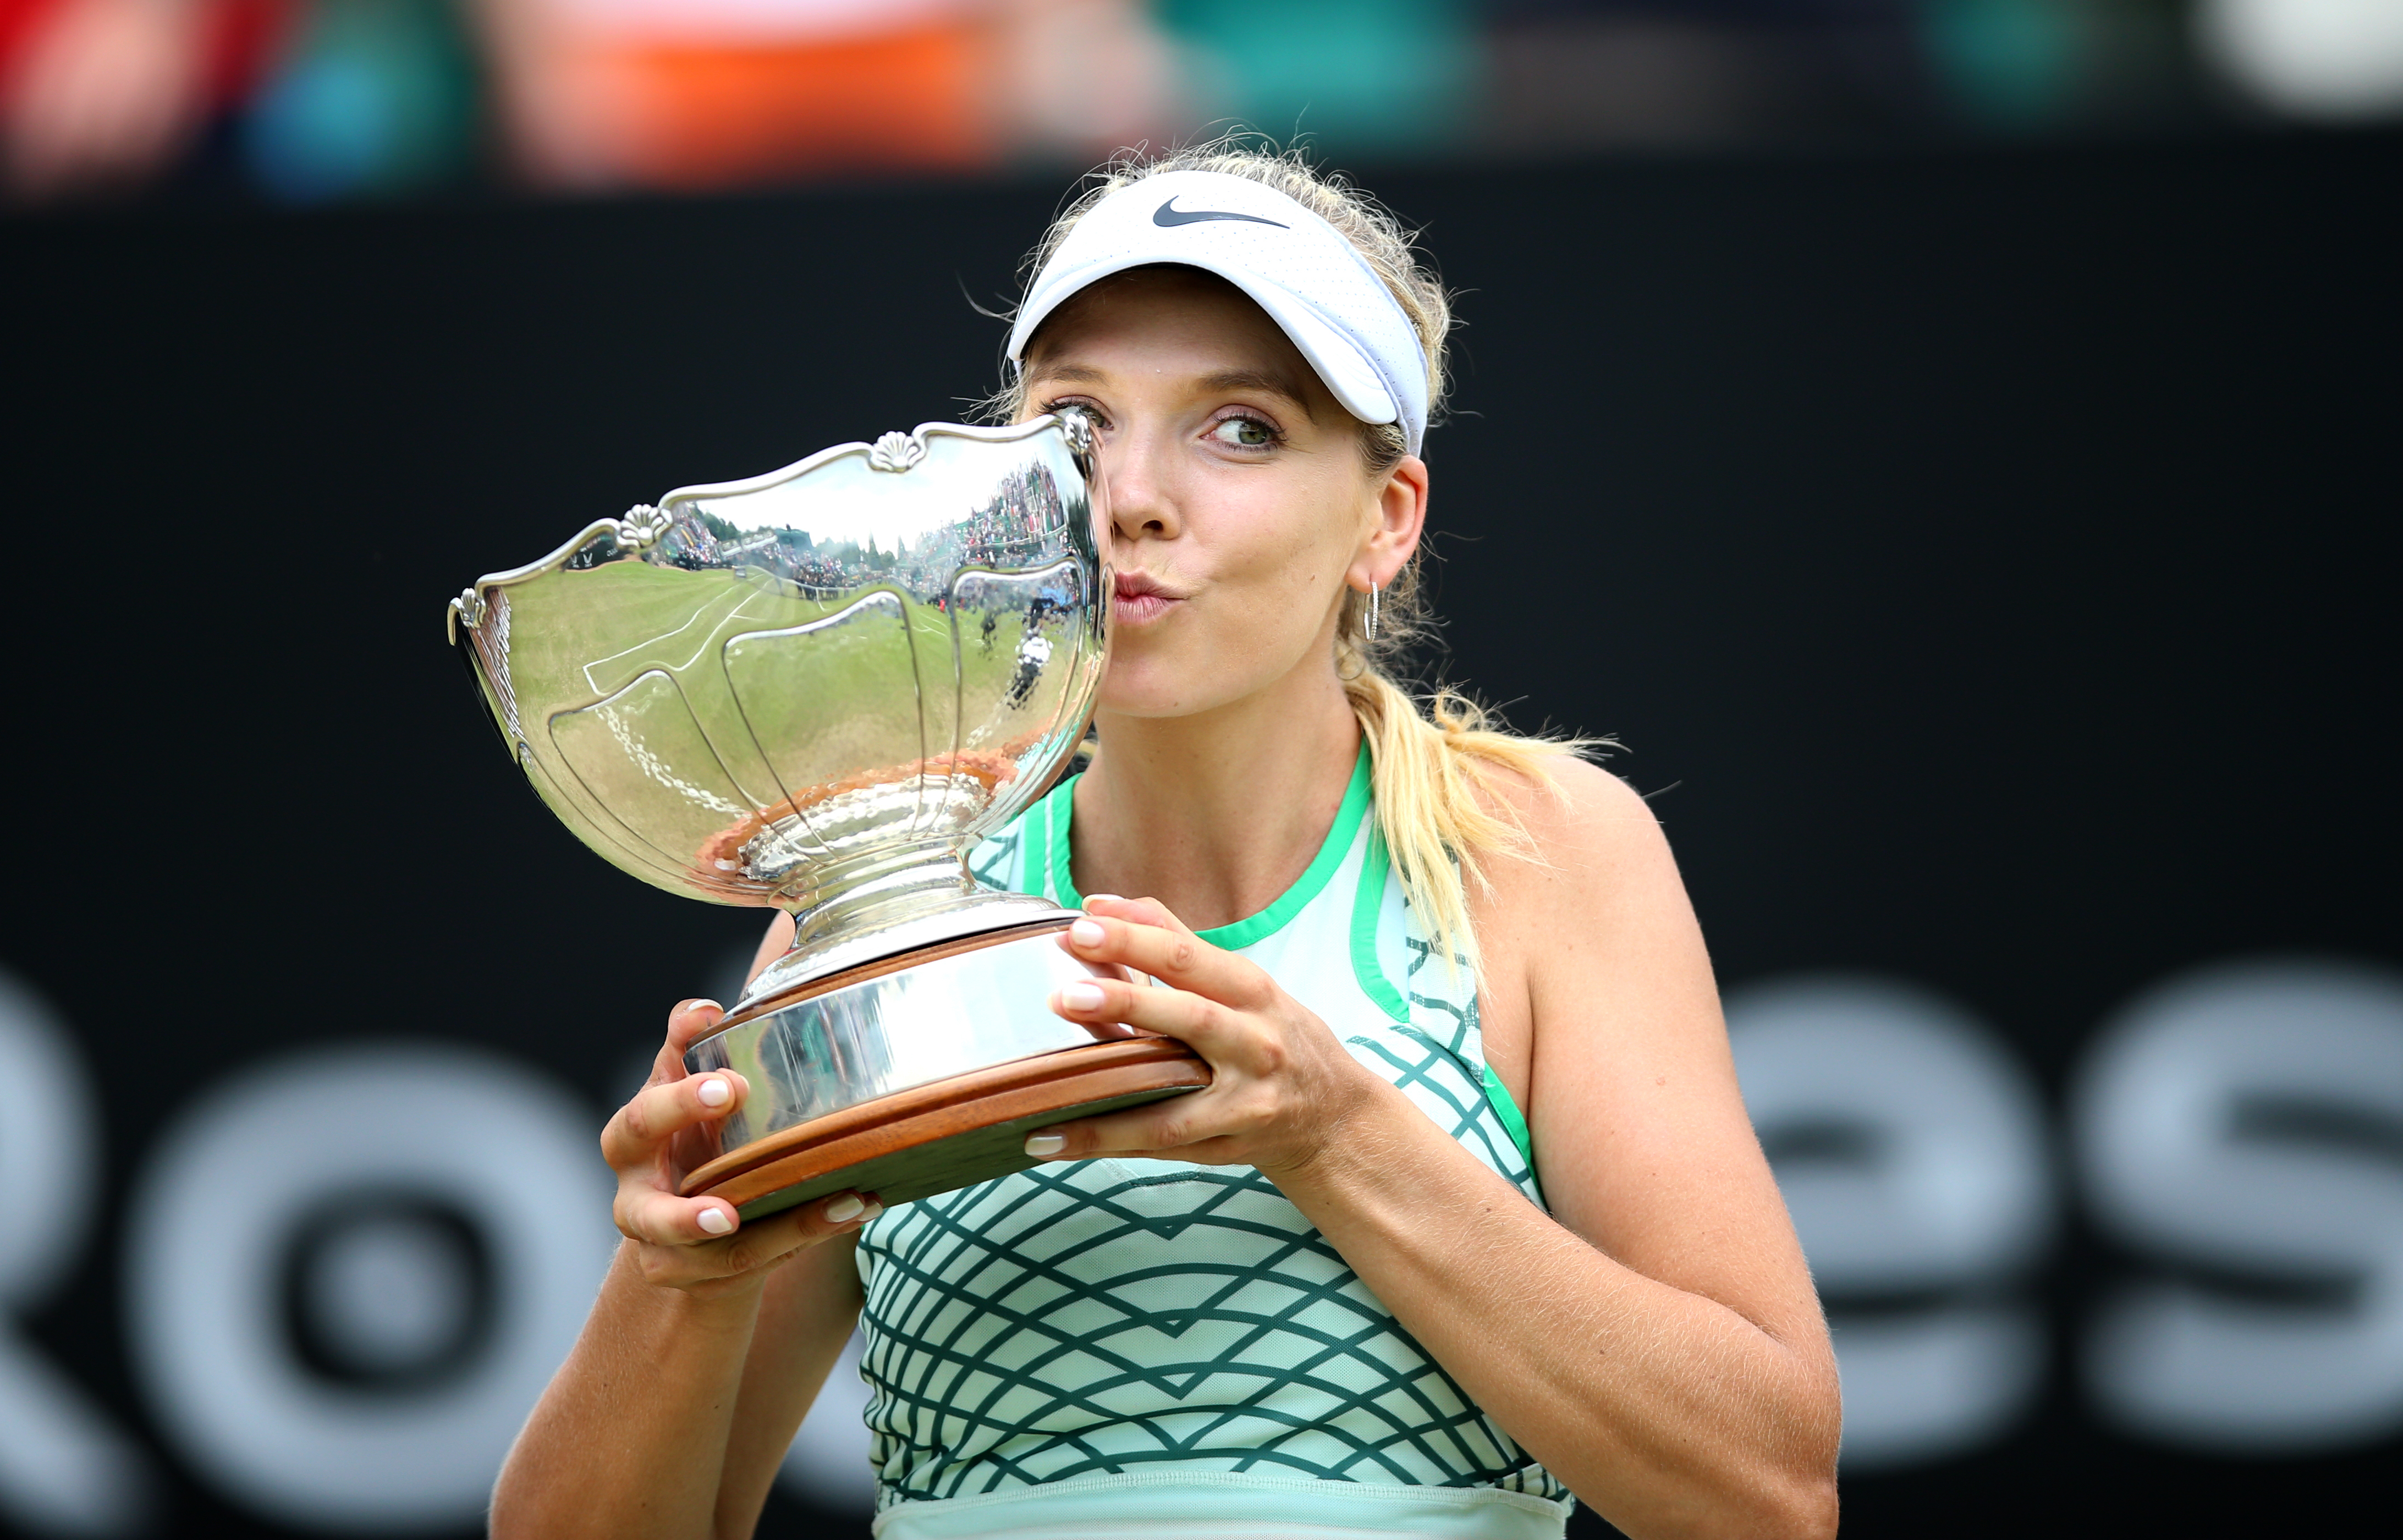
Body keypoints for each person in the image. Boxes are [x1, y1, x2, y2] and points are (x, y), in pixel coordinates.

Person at [491, 143, 1842, 1540]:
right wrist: (677, 1282)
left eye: (1240, 427)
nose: (1129, 494)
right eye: (1076, 423)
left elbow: (1768, 1496)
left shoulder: (1540, 852)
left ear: (1386, 520)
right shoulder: (879, 917)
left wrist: (1333, 1130)